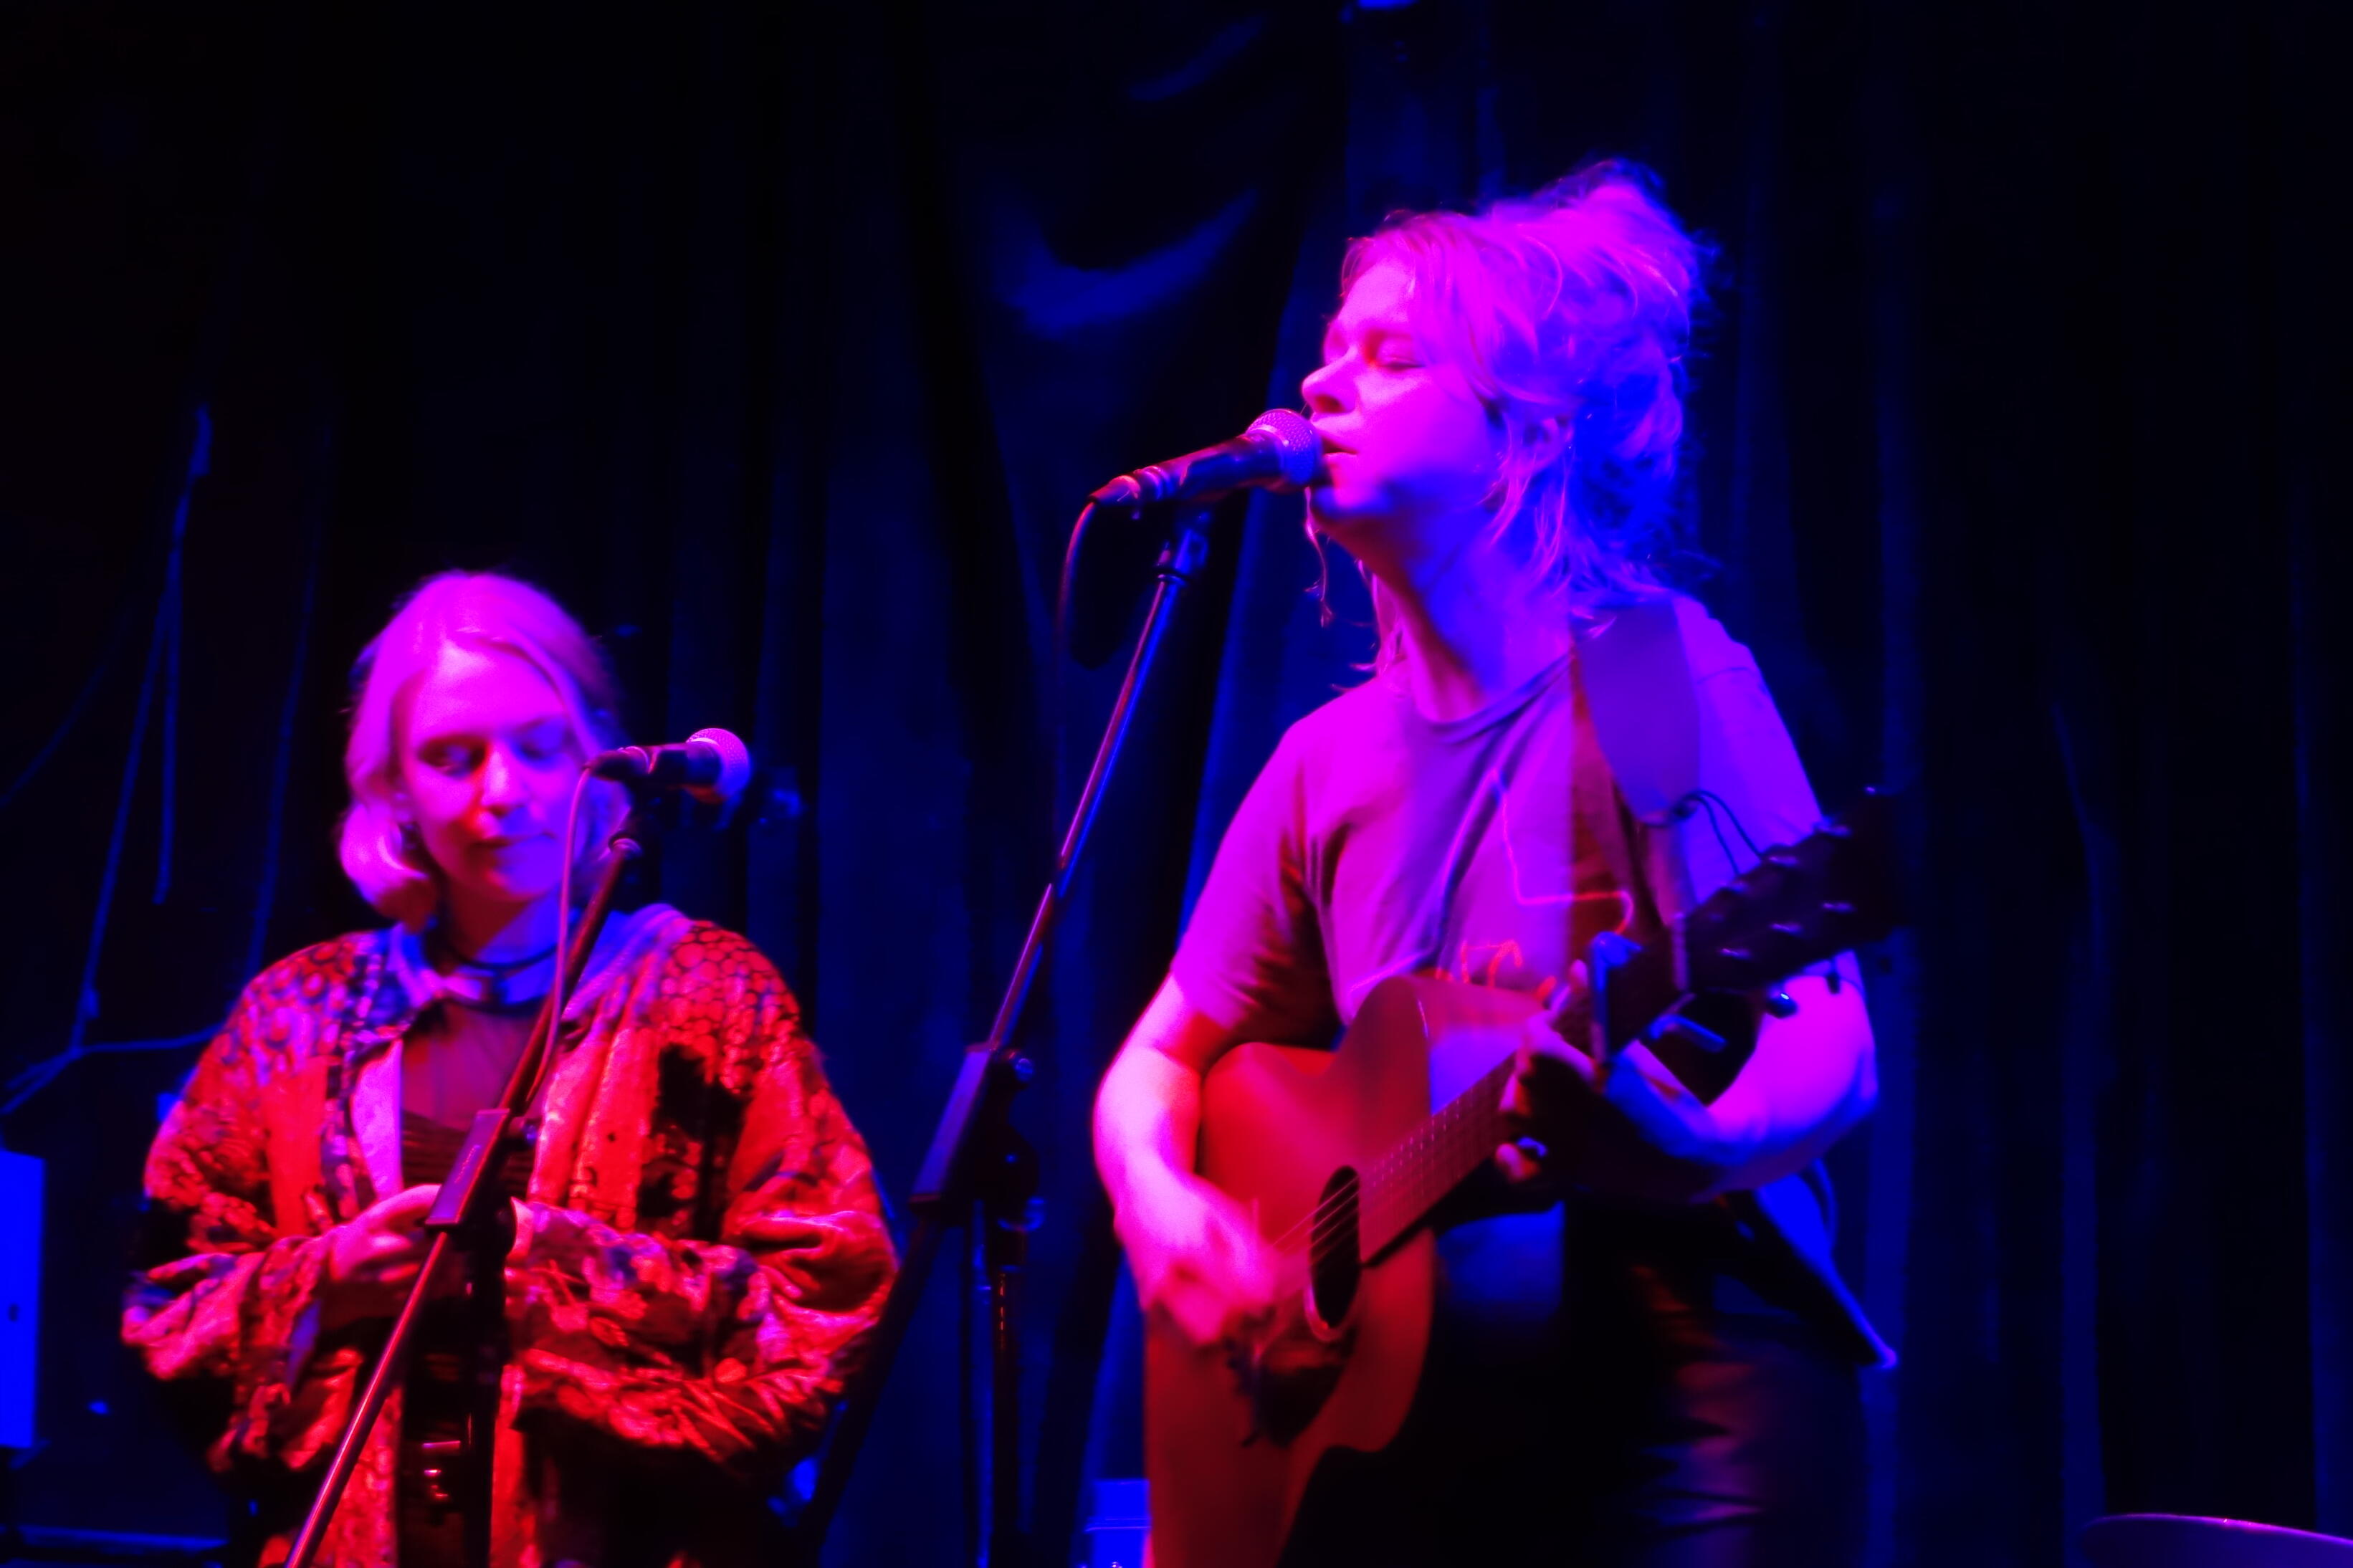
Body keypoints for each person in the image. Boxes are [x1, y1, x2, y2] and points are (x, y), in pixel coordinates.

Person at [1092, 163, 1890, 1566]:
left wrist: (1702, 1150)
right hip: (1427, 1410)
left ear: (1523, 436)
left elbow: (1830, 1040)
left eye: (1392, 356)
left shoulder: (1647, 670)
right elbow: (1157, 1060)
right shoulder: (1322, 764)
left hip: (1679, 1360)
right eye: (1330, 349)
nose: (1321, 384)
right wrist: (1162, 1211)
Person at [123, 573, 894, 1568]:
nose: (502, 792)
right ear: (393, 787)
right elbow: (167, 1304)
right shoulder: (298, 1015)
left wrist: (546, 1259)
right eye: (452, 758)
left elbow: (829, 1298)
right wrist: (332, 1278)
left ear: (597, 756)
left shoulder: (711, 998)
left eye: (539, 747)